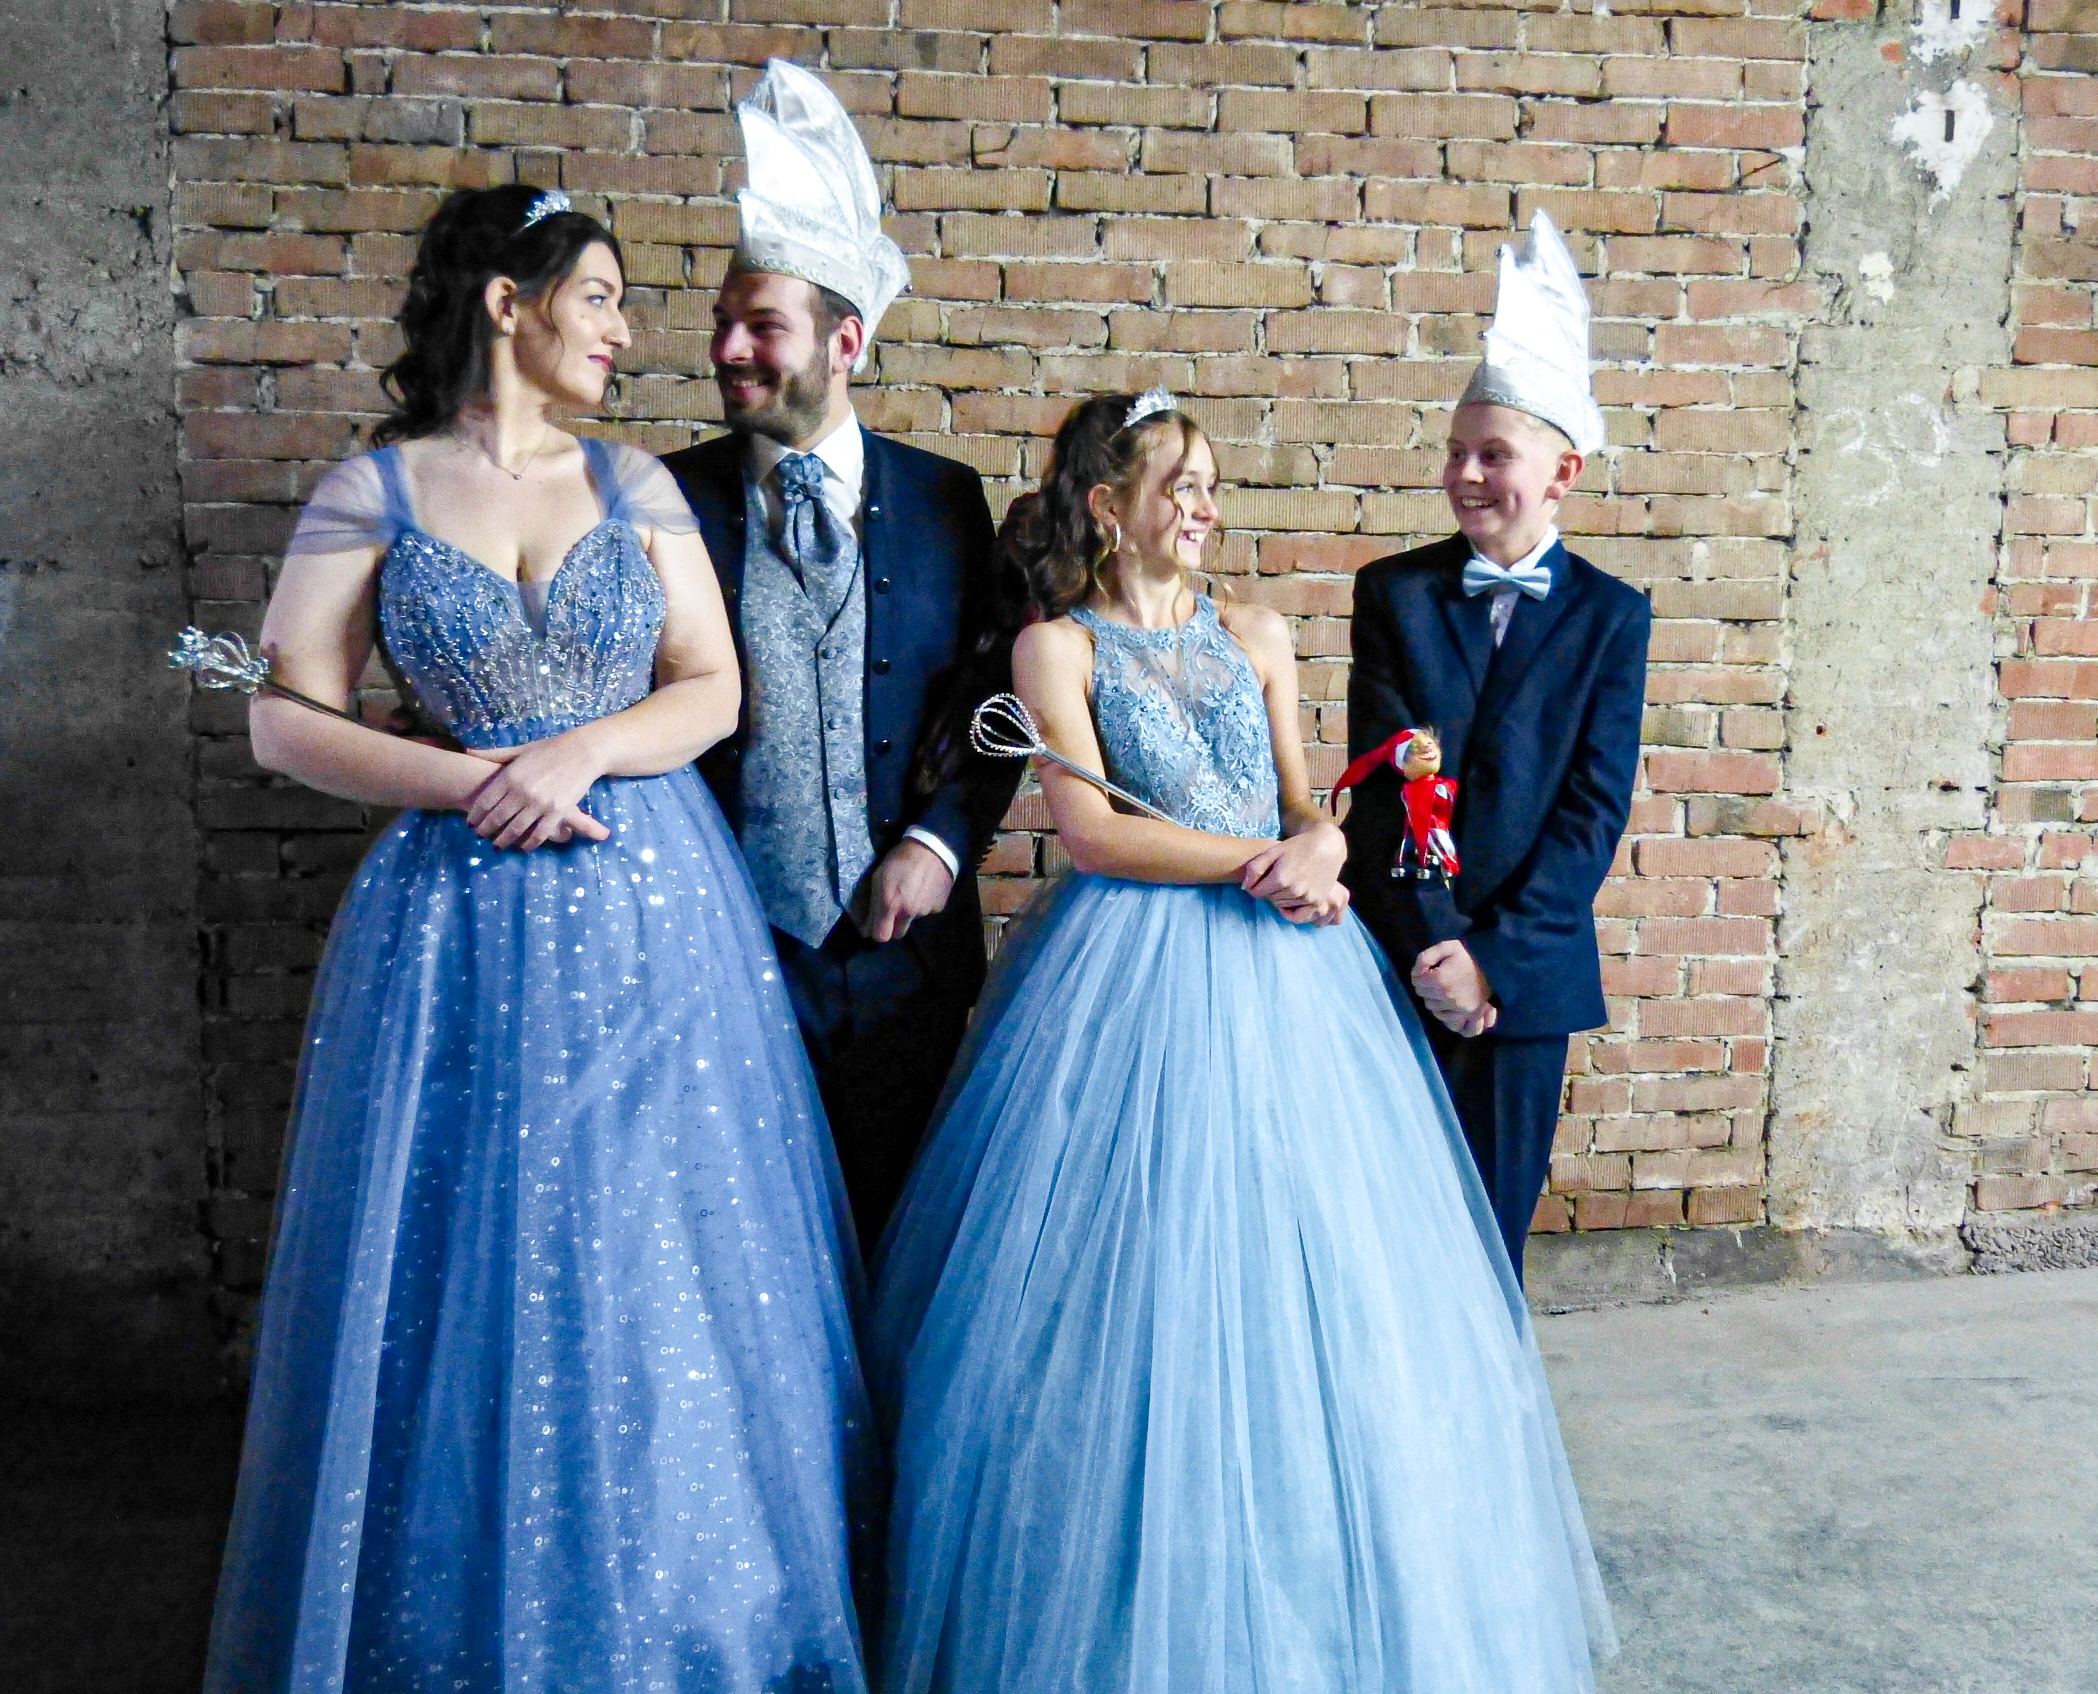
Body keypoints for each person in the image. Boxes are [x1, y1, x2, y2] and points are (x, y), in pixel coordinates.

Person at [203, 184, 874, 1694]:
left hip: (652, 908)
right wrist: (472, 781)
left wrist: (576, 753)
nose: (628, 331)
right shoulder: (371, 491)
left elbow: (712, 687)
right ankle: (452, 1622)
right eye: (601, 296)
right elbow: (282, 718)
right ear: (509, 303)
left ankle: (682, 1616)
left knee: (652, 1244)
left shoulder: (635, 484)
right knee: (467, 1252)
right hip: (454, 922)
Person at [868, 391, 1616, 1694]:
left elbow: (1300, 794)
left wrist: (1319, 843)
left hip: (1292, 969)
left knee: (1313, 1257)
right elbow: (1093, 831)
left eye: (1211, 482)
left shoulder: (1256, 630)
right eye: (1180, 483)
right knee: (1137, 1264)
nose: (1205, 505)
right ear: (1107, 504)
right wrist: (1261, 862)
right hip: (1129, 963)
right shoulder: (1054, 647)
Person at [661, 62, 1020, 1245]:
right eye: (723, 321)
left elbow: (995, 695)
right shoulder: (666, 497)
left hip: (906, 953)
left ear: (845, 340)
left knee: (898, 1238)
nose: (729, 347)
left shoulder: (948, 499)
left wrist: (939, 840)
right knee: (737, 1243)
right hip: (723, 948)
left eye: (762, 324)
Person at [1344, 211, 1651, 1284]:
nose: (1466, 473)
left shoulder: (1613, 616)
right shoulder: (1393, 593)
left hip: (1527, 977)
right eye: (1455, 452)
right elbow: (1387, 785)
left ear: (1563, 471)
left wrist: (1493, 962)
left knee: (1488, 1238)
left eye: (1494, 455)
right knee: (1381, 1232)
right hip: (1403, 953)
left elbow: (1590, 813)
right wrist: (1438, 948)